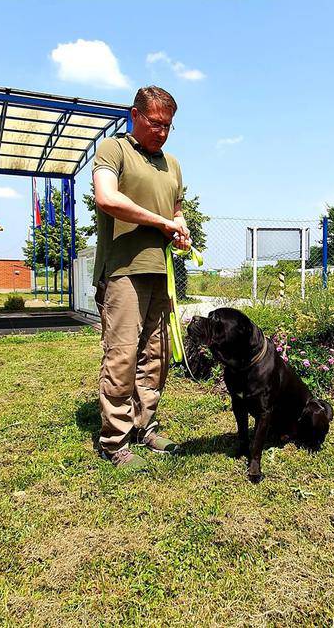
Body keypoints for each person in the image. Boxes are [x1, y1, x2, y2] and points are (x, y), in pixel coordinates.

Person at [92, 85, 191, 470]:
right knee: (122, 355)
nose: (162, 132)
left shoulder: (173, 165)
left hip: (158, 272)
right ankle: (114, 441)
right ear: (135, 115)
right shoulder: (113, 150)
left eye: (168, 126)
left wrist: (180, 230)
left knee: (156, 356)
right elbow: (107, 199)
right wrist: (162, 222)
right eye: (155, 123)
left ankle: (143, 425)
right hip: (122, 271)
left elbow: (177, 210)